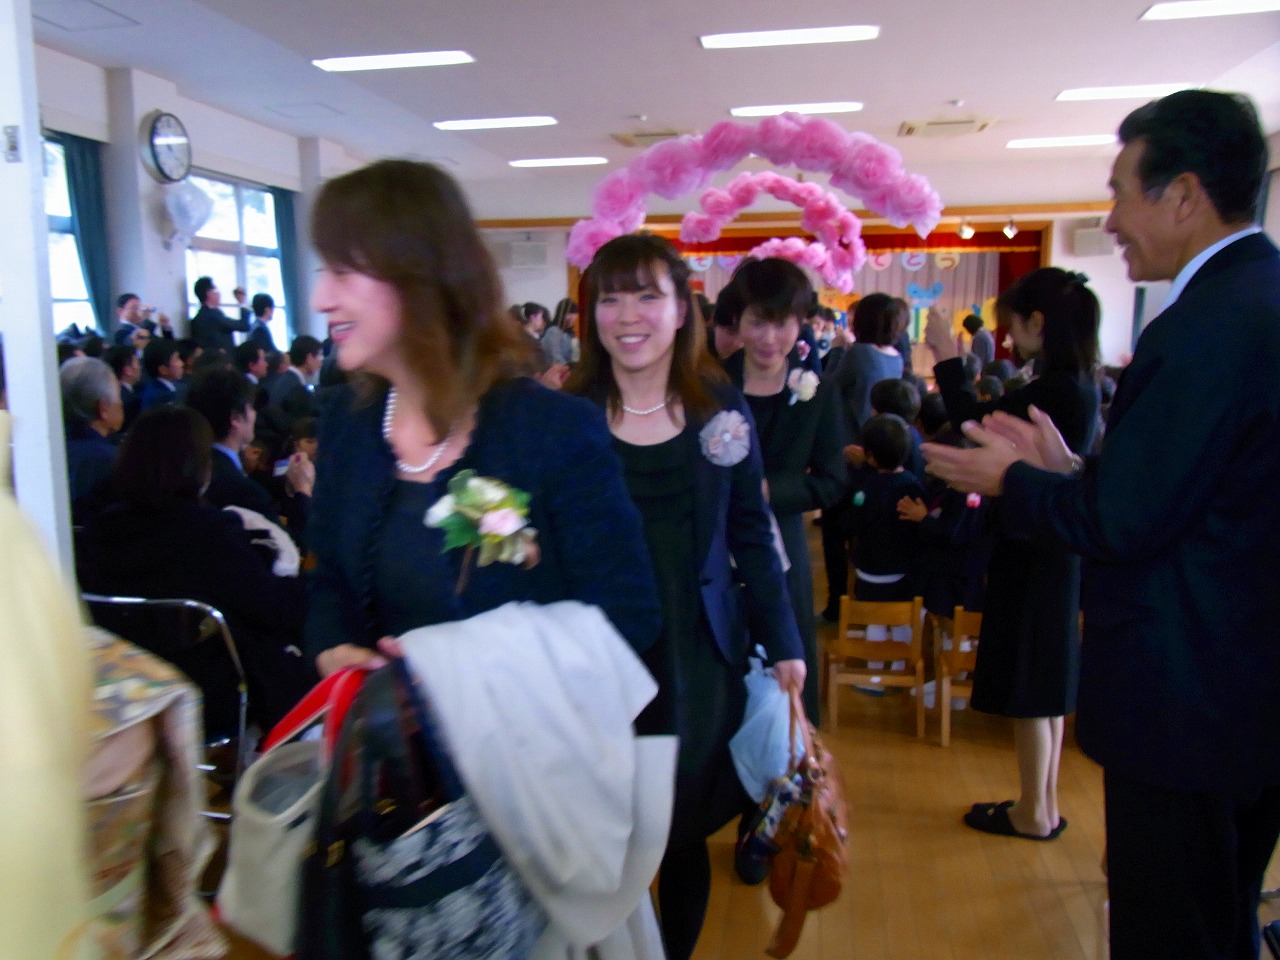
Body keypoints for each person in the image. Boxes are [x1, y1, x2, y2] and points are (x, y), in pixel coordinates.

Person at [924, 90, 1279, 960]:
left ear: (1183, 194)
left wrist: (1015, 481)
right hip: (1241, 685)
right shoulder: (1257, 297)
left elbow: (1124, 525)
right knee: (1219, 915)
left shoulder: (1208, 325)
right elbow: (1196, 495)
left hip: (1185, 694)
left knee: (1173, 931)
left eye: (1120, 192)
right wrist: (1076, 472)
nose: (1110, 219)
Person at [302, 157, 661, 687]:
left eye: (343, 272)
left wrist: (458, 677)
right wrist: (332, 650)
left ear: (418, 277)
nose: (321, 300)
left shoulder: (549, 430)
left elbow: (627, 614)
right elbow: (328, 582)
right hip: (385, 738)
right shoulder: (347, 425)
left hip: (519, 735)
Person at [565, 233, 805, 960]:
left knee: (680, 828)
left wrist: (786, 642)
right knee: (600, 824)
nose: (628, 315)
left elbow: (753, 533)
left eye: (648, 296)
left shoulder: (718, 407)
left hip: (697, 656)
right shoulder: (569, 413)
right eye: (611, 298)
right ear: (591, 315)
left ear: (681, 311)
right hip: (598, 658)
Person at [924, 268, 1101, 845]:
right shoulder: (1079, 383)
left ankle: (1033, 811)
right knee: (1046, 688)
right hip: (1054, 547)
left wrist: (946, 357)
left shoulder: (1056, 389)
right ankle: (1041, 803)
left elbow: (974, 425)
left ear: (1037, 323)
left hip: (1032, 547)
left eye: (1014, 324)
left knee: (1031, 688)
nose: (1007, 336)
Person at [77, 406, 310, 735]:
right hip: (206, 696)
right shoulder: (209, 534)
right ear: (199, 467)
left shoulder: (97, 532)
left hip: (123, 692)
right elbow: (277, 609)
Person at [717, 257, 846, 721]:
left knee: (785, 678)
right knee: (722, 674)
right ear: (738, 321)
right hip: (716, 550)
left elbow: (832, 480)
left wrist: (770, 491)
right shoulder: (710, 384)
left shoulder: (819, 391)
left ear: (801, 322)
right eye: (757, 322)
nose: (769, 338)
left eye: (782, 323)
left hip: (783, 554)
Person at [818, 293, 906, 622]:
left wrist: (838, 349)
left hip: (847, 454)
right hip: (879, 455)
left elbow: (826, 386)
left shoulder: (858, 353)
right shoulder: (895, 357)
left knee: (834, 533)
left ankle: (837, 605)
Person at [183, 366, 281, 519]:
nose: (254, 414)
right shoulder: (245, 492)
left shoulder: (189, 467)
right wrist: (301, 491)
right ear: (235, 419)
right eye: (251, 408)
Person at [60, 356, 123, 521]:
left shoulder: (48, 453)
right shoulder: (114, 461)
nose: (121, 403)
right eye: (118, 395)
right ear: (103, 408)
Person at [189, 276, 249, 356]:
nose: (219, 293)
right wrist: (242, 303)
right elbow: (244, 326)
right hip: (222, 361)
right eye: (215, 290)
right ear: (208, 293)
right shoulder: (214, 316)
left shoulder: (199, 317)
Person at [542, 297, 579, 367]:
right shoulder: (553, 331)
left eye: (574, 314)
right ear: (561, 314)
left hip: (568, 369)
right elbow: (556, 359)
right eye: (569, 313)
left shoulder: (570, 333)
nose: (573, 317)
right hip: (556, 370)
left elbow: (575, 356)